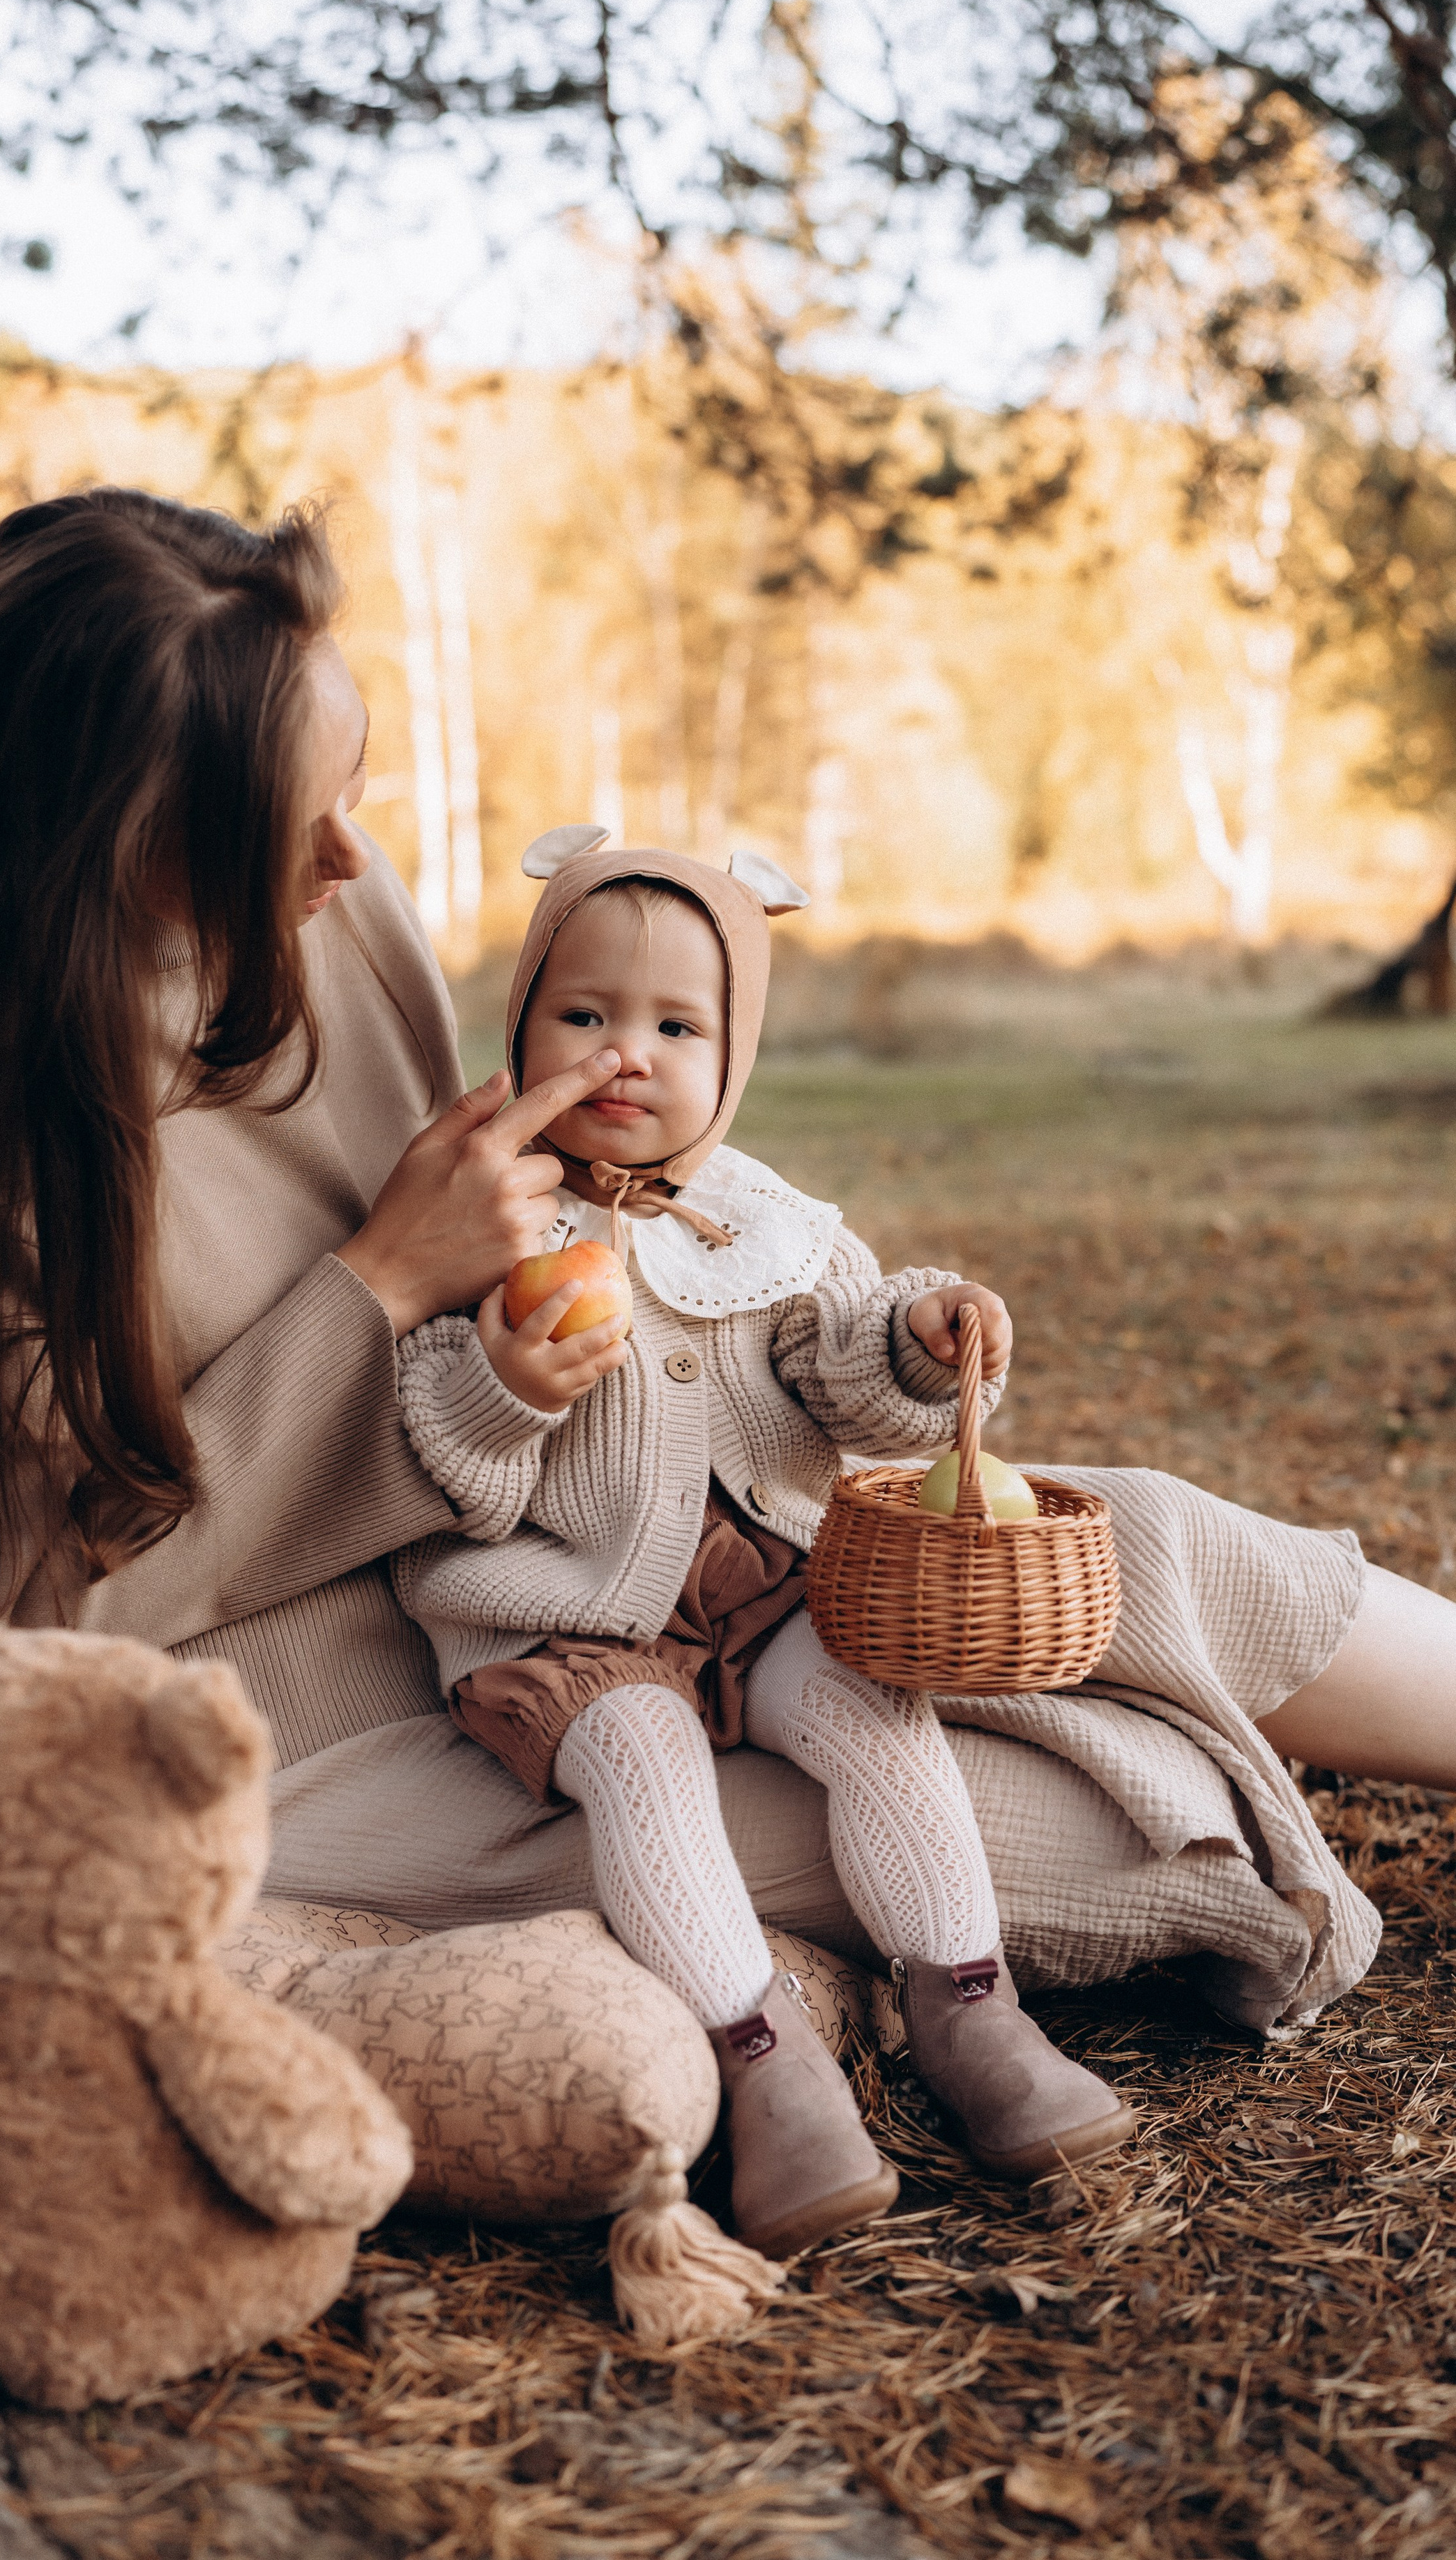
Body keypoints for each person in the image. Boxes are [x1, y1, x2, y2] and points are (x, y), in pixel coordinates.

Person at [0, 485, 1456, 2151]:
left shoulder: (325, 910)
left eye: (351, 787)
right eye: (290, 829)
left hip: (594, 1539)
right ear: (111, 841)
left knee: (1127, 1549)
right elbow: (42, 1604)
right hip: (360, 1711)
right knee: (1091, 1827)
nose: (354, 867)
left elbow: (537, 1233)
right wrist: (380, 1289)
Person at [391, 831, 1137, 2257]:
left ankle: (966, 2007)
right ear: (520, 1024)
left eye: (676, 1025)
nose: (627, 1055)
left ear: (730, 1055)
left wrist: (916, 1346)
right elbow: (443, 1465)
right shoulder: (486, 1222)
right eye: (584, 1015)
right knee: (640, 1763)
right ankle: (763, 2062)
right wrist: (506, 1386)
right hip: (565, 1615)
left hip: (763, 1588)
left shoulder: (765, 1225)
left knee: (871, 1710)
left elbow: (842, 1372)